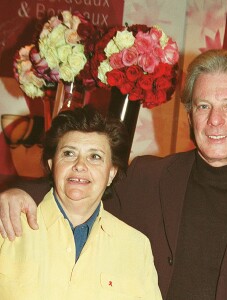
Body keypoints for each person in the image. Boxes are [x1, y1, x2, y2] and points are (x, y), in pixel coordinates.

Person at [1, 49, 227, 299]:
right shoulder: (148, 177)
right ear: (190, 113)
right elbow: (83, 189)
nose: (215, 120)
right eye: (203, 106)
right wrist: (24, 193)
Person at [0, 106, 162, 300]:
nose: (79, 165)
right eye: (69, 153)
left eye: (95, 157)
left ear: (111, 173)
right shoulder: (9, 223)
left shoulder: (136, 247)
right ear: (52, 166)